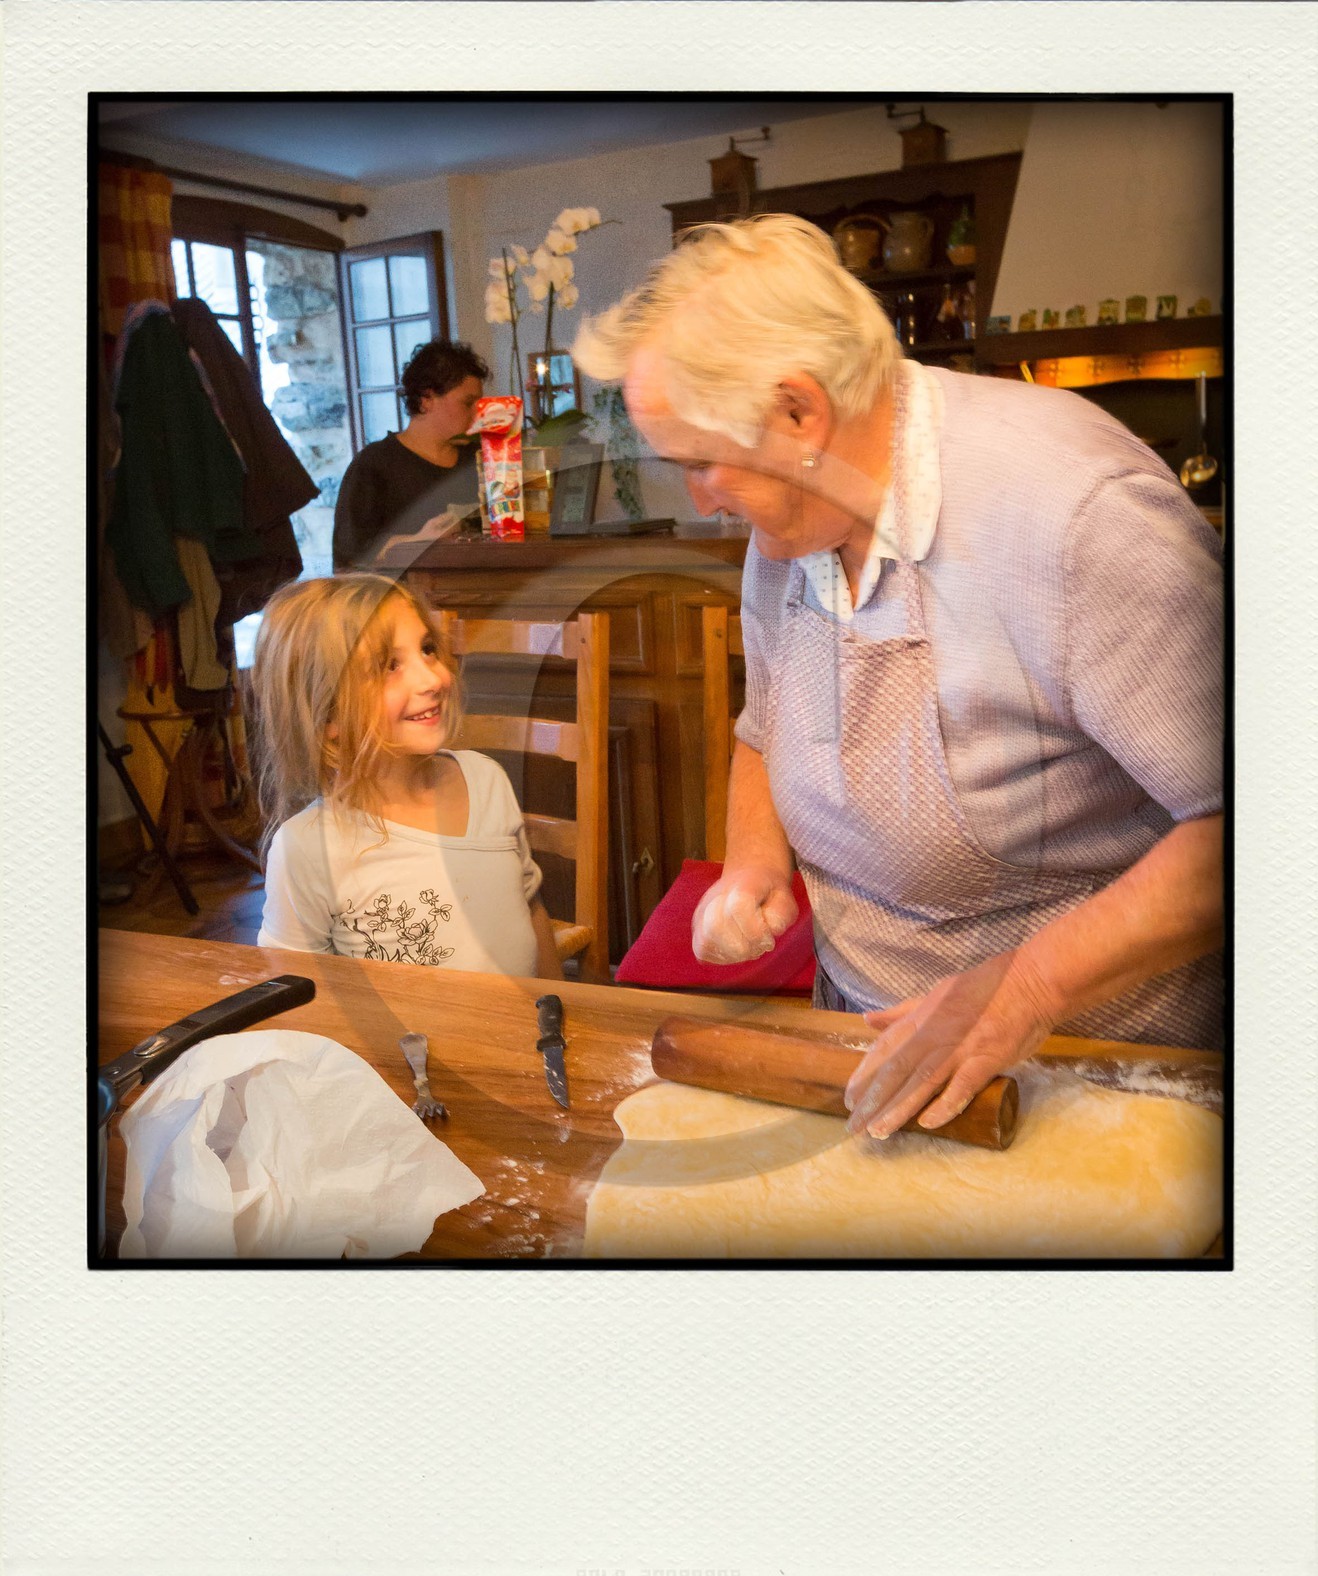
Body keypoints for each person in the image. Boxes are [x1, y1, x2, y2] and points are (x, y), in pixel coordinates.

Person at [574, 214, 1223, 1139]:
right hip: (858, 1031)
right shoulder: (791, 521)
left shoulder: (1075, 516)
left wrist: (1024, 989)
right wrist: (754, 869)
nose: (699, 500)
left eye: (700, 462)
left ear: (800, 413)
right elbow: (769, 723)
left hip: (1095, 1070)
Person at [249, 573, 561, 978]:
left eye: (428, 650)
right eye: (388, 666)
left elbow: (531, 909)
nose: (432, 679)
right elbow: (294, 991)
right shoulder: (307, 850)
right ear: (327, 714)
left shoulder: (487, 781)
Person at [332, 340, 487, 568]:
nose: (478, 414)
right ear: (426, 400)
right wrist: (419, 541)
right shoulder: (375, 464)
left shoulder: (479, 458)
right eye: (468, 403)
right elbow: (349, 559)